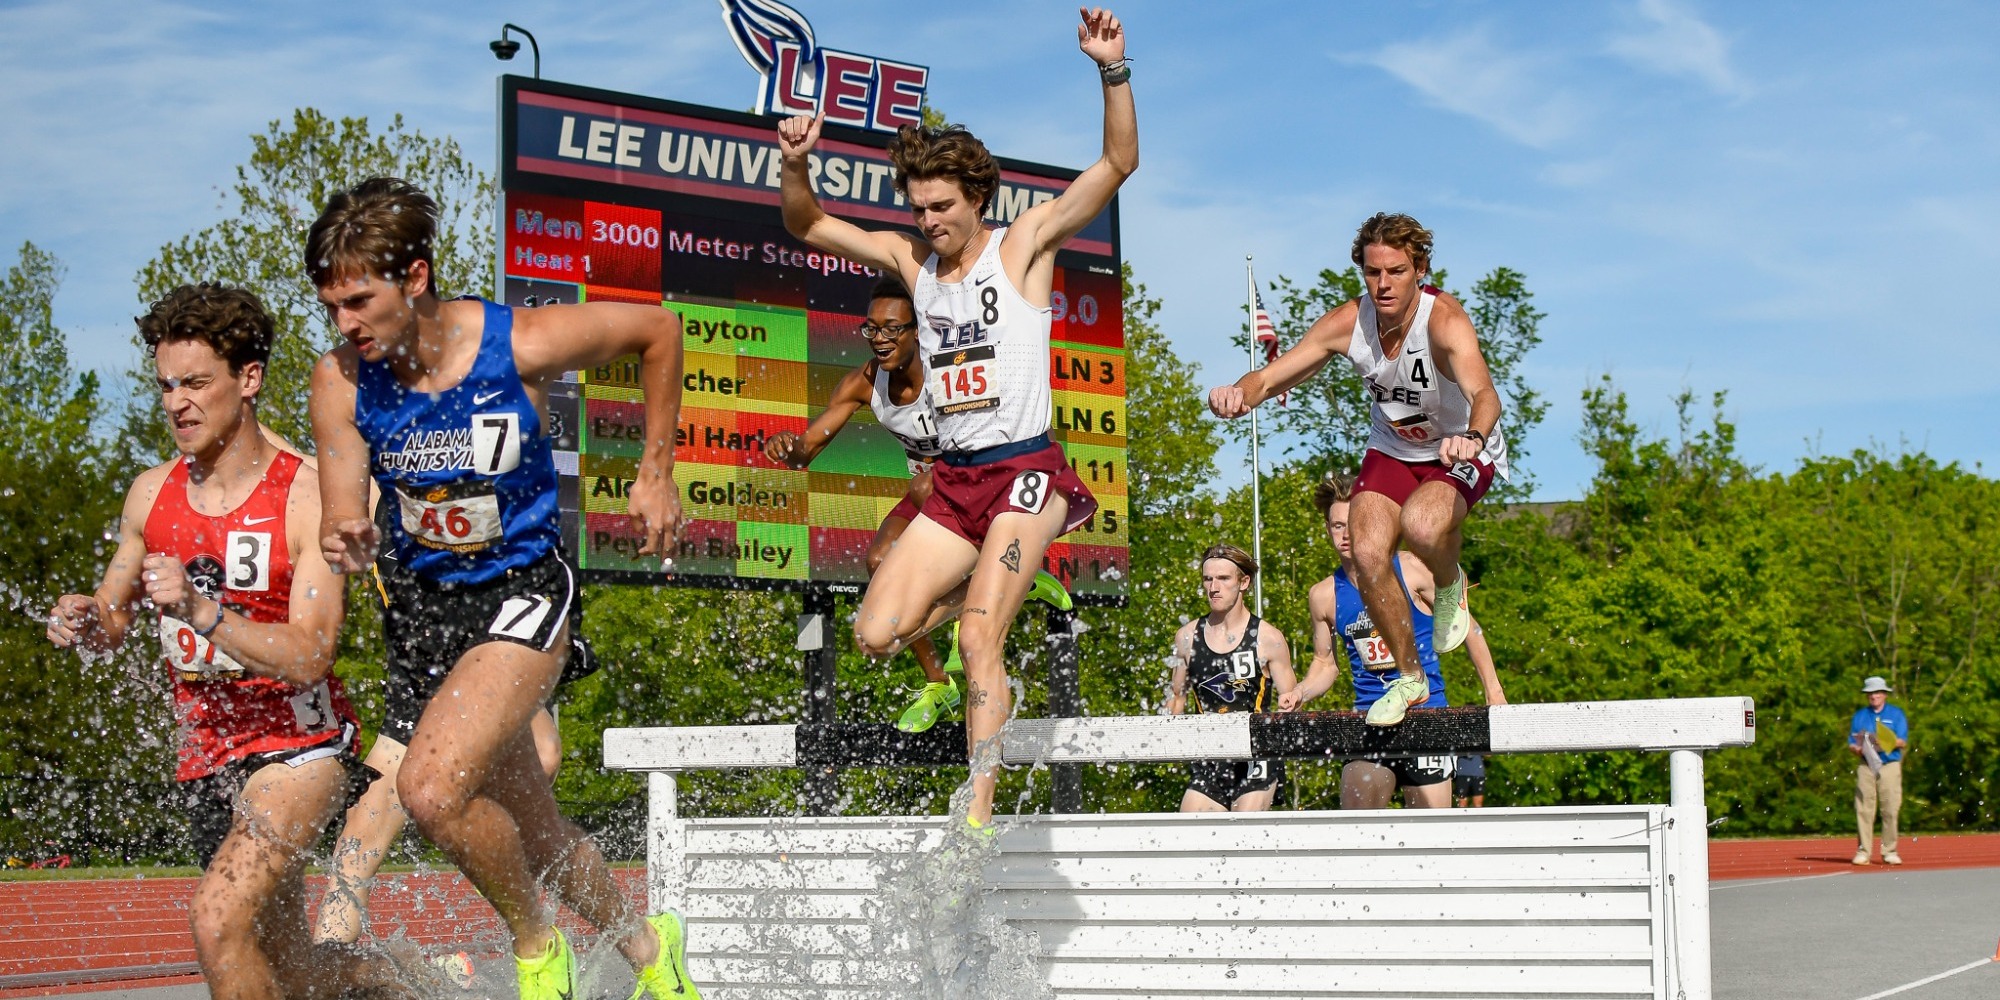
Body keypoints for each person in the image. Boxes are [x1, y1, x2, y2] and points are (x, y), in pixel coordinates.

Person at [305, 177, 698, 1000]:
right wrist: (346, 533)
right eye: (329, 305)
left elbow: (659, 331)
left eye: (357, 301)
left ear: (414, 279)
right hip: (426, 614)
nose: (343, 325)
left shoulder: (518, 344)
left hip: (521, 590)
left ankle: (535, 947)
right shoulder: (340, 380)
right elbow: (342, 508)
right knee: (535, 822)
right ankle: (653, 952)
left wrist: (655, 471)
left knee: (429, 790)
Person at [777, 7, 1135, 827]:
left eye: (942, 206)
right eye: (918, 208)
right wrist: (797, 163)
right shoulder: (910, 262)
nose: (928, 222)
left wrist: (1111, 69)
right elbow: (806, 222)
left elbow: (1119, 161)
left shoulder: (1024, 248)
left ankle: (976, 816)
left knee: (979, 641)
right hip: (956, 486)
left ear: (977, 196)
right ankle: (1009, 584)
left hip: (1025, 476)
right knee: (874, 635)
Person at [47, 284, 374, 1000]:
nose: (177, 403)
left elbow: (313, 651)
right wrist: (82, 617)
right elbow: (114, 617)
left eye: (196, 382)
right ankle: (401, 987)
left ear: (248, 378)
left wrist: (203, 610)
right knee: (290, 969)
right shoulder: (148, 494)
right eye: (167, 385)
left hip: (299, 750)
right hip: (207, 759)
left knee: (216, 920)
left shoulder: (306, 495)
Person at [1210, 213, 1507, 727]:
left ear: (1419, 270)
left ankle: (1448, 578)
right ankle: (1410, 678)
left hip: (1458, 449)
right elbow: (1272, 376)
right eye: (1373, 273)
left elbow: (1485, 393)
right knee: (1366, 550)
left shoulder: (1444, 320)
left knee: (1420, 525)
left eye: (1395, 271)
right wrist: (1239, 393)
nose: (1383, 285)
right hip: (1393, 449)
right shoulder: (1349, 322)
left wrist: (1473, 438)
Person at [763, 278, 1070, 733]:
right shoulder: (863, 383)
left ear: (918, 330)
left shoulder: (946, 368)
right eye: (872, 330)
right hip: (935, 499)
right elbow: (807, 450)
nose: (881, 340)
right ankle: (939, 682)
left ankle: (1009, 569)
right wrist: (788, 447)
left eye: (892, 330)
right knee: (877, 560)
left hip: (985, 488)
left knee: (928, 486)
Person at [1280, 472, 1506, 809]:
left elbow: (1467, 625)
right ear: (1327, 529)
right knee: (1358, 818)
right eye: (1337, 525)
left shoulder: (1412, 569)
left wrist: (1494, 692)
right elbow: (1325, 665)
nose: (1346, 534)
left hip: (1426, 717)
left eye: (1353, 523)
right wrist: (1300, 690)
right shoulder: (1324, 595)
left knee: (1429, 841)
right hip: (1372, 721)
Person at [1166, 545, 1296, 812]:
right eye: (1207, 579)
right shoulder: (1187, 637)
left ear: (1243, 582)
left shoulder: (1268, 639)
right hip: (1211, 756)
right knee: (1187, 826)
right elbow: (1176, 699)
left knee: (1243, 827)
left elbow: (1291, 706)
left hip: (1257, 755)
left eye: (1224, 579)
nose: (1214, 587)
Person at [1849, 676, 1908, 866]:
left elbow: (1902, 741)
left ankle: (1889, 850)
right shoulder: (1859, 716)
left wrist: (1884, 743)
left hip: (1889, 764)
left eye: (1877, 692)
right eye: (1870, 693)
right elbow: (1852, 742)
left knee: (1890, 807)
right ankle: (1863, 851)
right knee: (1864, 808)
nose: (1873, 696)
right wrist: (1858, 748)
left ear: (1884, 694)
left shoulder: (1897, 714)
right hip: (1866, 764)